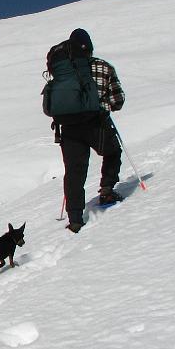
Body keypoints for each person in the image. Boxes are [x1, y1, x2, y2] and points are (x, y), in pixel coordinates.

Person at [55, 28, 125, 233]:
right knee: (112, 152)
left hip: (68, 128)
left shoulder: (62, 70)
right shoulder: (104, 67)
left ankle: (75, 218)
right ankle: (107, 190)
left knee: (74, 171)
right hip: (96, 122)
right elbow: (117, 101)